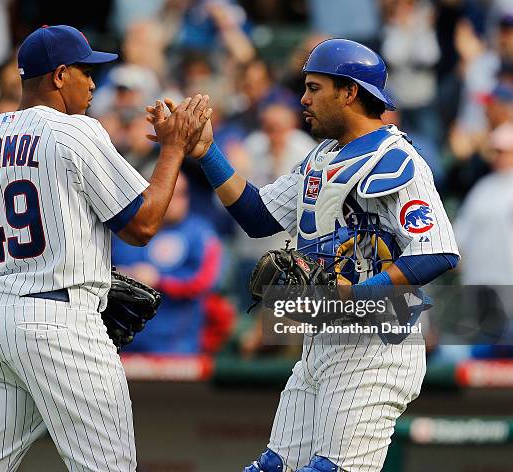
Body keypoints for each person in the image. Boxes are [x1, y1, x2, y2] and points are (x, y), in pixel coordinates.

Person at [149, 39, 459, 471]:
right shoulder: (322, 158)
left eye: (314, 87)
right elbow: (258, 216)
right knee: (274, 467)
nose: (304, 98)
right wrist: (206, 153)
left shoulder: (397, 158)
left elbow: (437, 251)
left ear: (349, 92)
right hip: (323, 339)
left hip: (376, 346)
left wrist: (358, 294)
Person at [0, 24, 211, 471]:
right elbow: (142, 225)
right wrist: (174, 149)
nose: (93, 82)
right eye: (86, 71)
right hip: (59, 319)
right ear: (59, 75)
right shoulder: (75, 131)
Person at [112, 171, 225, 353]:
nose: (173, 201)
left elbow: (204, 282)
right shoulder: (129, 232)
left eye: (179, 194)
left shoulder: (200, 233)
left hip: (177, 345)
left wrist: (159, 281)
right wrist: (120, 279)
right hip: (127, 344)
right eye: (168, 193)